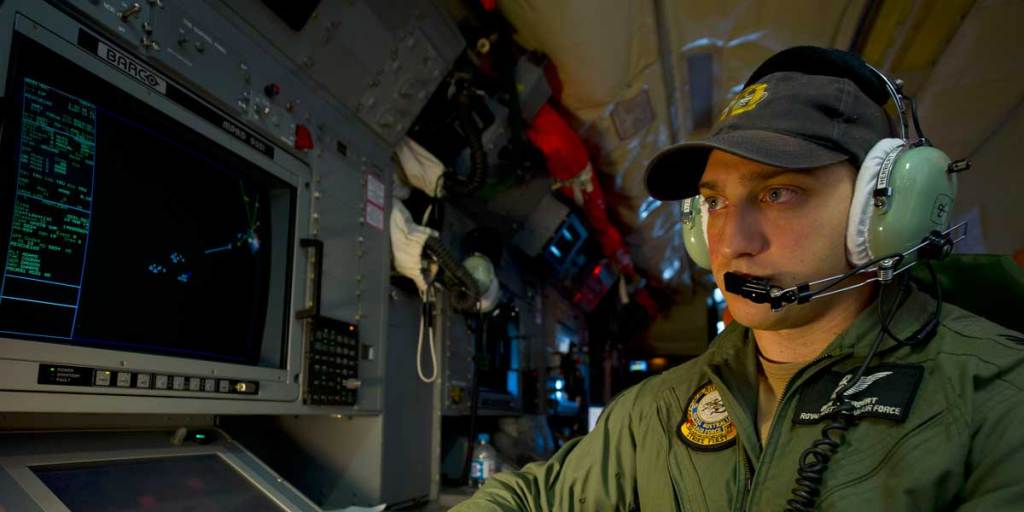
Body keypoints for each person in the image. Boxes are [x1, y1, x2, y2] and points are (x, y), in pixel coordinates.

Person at [451, 46, 1024, 511]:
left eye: (779, 193)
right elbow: (533, 498)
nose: (731, 241)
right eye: (714, 201)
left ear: (883, 214)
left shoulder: (996, 398)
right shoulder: (654, 411)